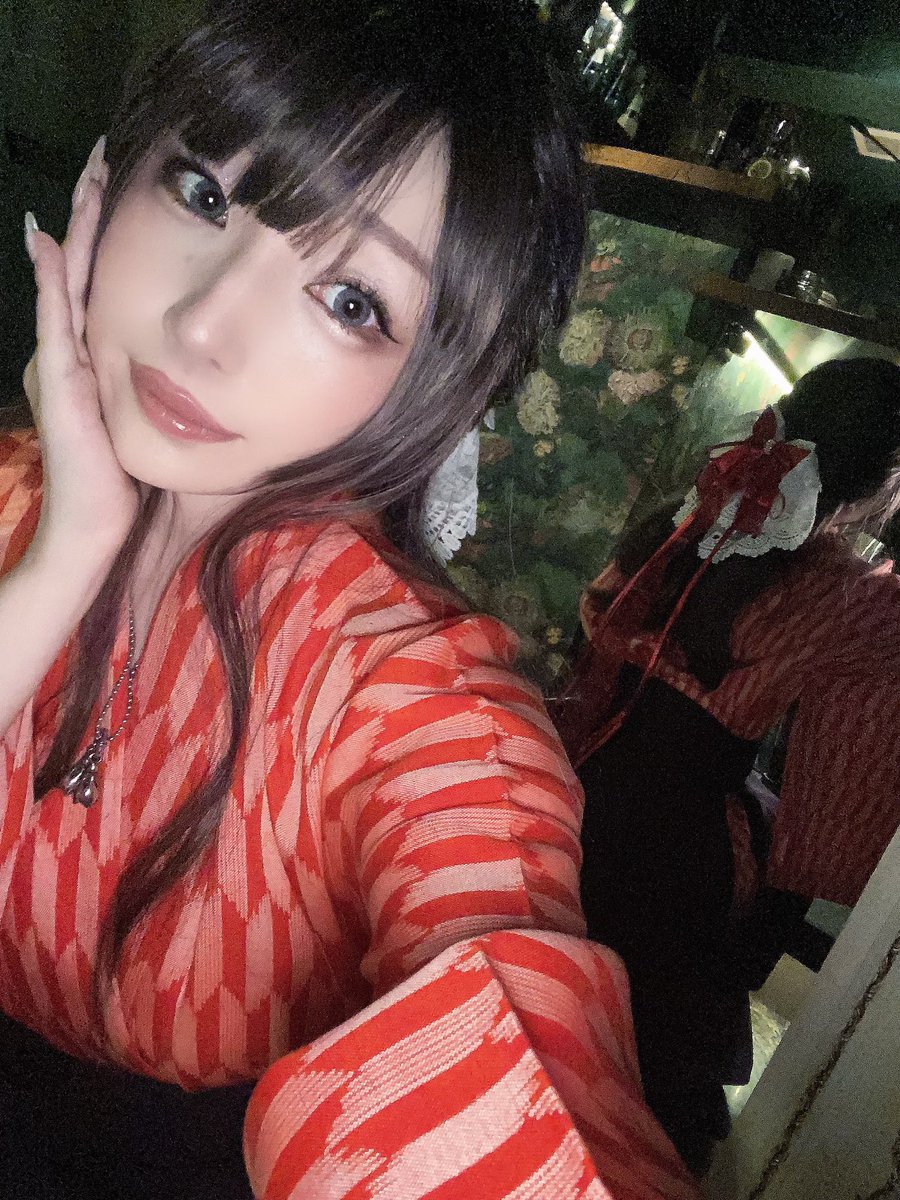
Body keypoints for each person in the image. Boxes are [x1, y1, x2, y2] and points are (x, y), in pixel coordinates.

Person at [0, 2, 700, 1197]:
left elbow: (501, 986)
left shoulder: (416, 697)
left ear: (438, 384)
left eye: (351, 301)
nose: (203, 327)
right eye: (206, 194)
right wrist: (69, 546)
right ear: (111, 175)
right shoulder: (20, 485)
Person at [555, 357, 900, 1172]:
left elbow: (591, 641)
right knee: (637, 1065)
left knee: (545, 992)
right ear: (877, 484)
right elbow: (847, 772)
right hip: (677, 846)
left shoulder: (685, 517)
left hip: (574, 783)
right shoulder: (846, 595)